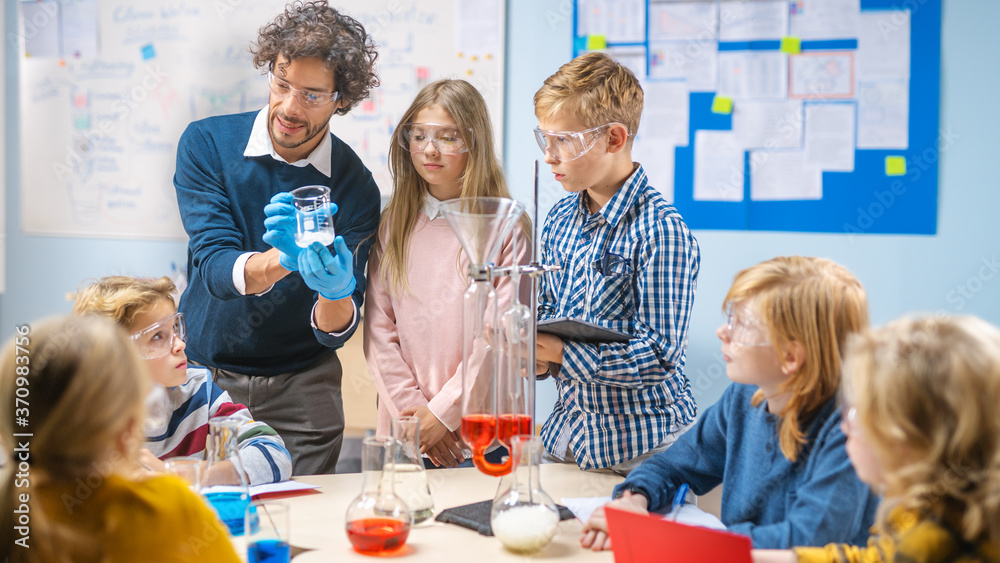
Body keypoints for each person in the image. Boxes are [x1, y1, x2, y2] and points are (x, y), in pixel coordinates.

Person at [173, 0, 380, 474]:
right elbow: (216, 267)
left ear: (340, 100)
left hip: (302, 391)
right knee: (207, 527)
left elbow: (337, 329)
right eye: (282, 83)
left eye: (311, 95)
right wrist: (281, 261)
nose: (288, 107)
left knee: (299, 527)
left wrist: (337, 289)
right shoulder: (207, 145)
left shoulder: (354, 185)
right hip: (208, 379)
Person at [582, 256, 879, 550]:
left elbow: (807, 540)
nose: (723, 332)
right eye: (730, 319)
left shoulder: (850, 431)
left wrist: (669, 538)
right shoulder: (745, 395)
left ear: (791, 356)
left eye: (744, 325)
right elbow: (673, 465)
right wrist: (634, 498)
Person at [532, 52, 700, 473]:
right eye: (544, 138)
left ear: (614, 138)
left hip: (644, 449)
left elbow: (659, 355)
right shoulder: (559, 218)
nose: (549, 156)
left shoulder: (662, 231)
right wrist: (536, 353)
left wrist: (563, 354)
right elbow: (550, 314)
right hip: (567, 439)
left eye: (564, 140)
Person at [363, 79, 530, 468]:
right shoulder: (394, 224)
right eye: (418, 135)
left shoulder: (506, 227)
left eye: (447, 137)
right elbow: (378, 332)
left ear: (475, 141)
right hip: (404, 434)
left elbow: (497, 336)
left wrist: (443, 414)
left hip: (479, 434)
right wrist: (416, 417)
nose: (429, 150)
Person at [754, 315, 1000, 563]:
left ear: (907, 437)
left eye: (855, 410)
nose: (844, 425)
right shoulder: (933, 509)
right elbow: (876, 558)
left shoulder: (937, 543)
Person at [0, 316, 241, 562]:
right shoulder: (167, 508)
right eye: (157, 335)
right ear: (131, 422)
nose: (178, 344)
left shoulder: (14, 516)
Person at [73, 275, 292, 485]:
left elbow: (273, 453)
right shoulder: (85, 416)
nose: (180, 345)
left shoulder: (198, 390)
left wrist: (184, 477)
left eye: (175, 328)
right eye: (158, 336)